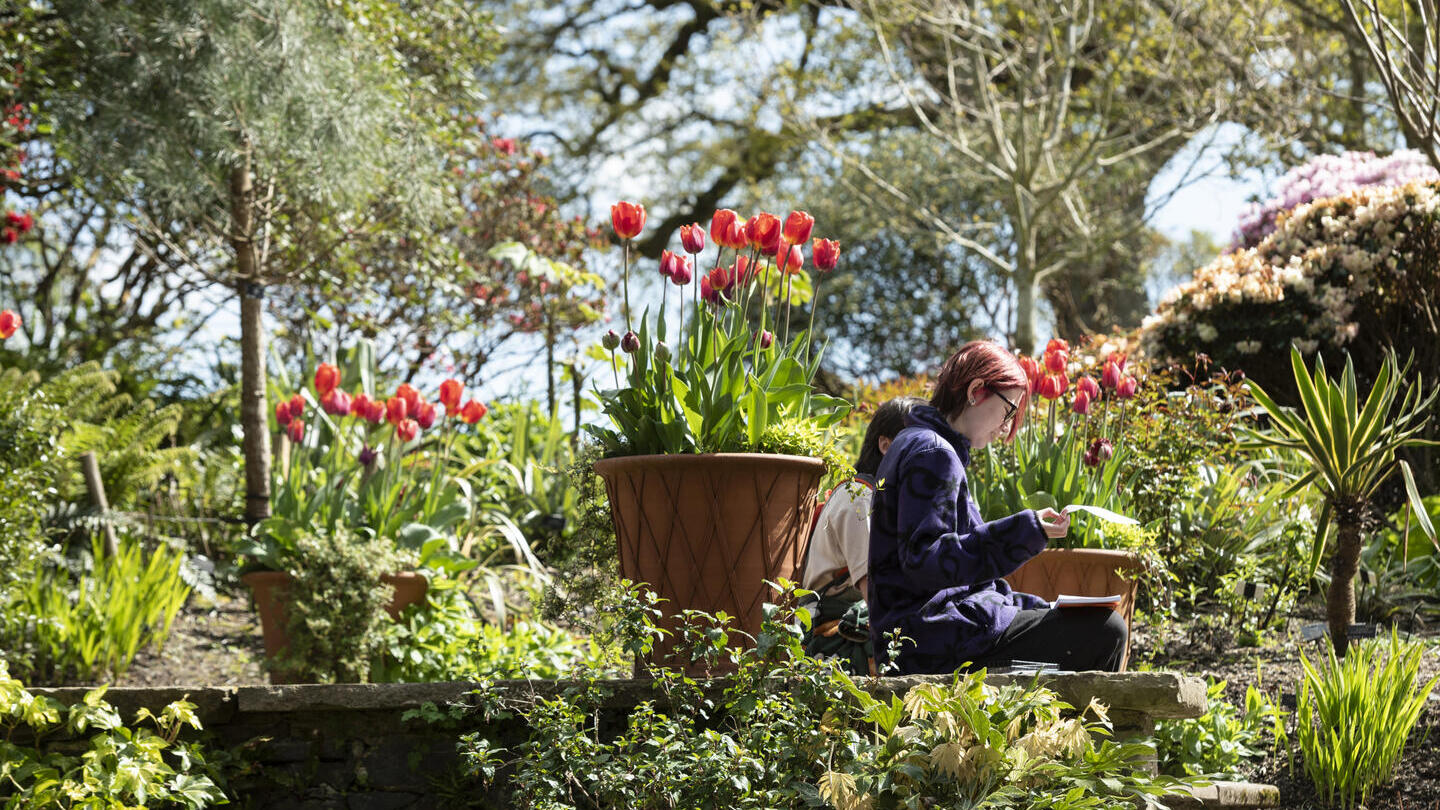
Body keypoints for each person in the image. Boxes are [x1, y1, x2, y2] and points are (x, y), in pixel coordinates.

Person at [867, 340, 1127, 674]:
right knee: (1105, 631)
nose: (1006, 427)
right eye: (1008, 411)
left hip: (924, 634)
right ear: (976, 391)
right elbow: (926, 562)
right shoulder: (934, 453)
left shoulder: (915, 443)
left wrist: (1034, 606)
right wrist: (1022, 530)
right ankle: (1069, 728)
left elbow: (956, 576)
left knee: (1087, 624)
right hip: (932, 640)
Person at [800, 396, 924, 674]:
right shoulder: (858, 498)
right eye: (919, 446)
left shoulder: (883, 502)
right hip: (833, 639)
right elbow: (878, 597)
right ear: (886, 445)